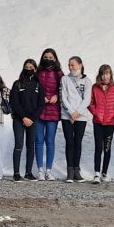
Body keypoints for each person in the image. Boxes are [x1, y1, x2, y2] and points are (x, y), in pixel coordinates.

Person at [9, 59, 45, 182]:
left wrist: (32, 118)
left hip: (33, 120)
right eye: (26, 66)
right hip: (19, 119)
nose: (28, 69)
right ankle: (16, 173)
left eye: (31, 67)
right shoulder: (17, 84)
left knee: (31, 146)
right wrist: (23, 117)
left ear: (35, 69)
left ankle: (28, 172)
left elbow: (41, 105)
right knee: (19, 145)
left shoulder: (39, 85)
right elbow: (14, 102)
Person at [88, 64, 114, 184]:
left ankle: (104, 172)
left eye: (107, 73)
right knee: (98, 147)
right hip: (98, 122)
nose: (105, 76)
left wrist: (113, 114)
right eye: (103, 73)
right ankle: (97, 173)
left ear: (110, 74)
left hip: (110, 123)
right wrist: (96, 113)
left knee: (107, 148)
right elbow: (90, 103)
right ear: (100, 75)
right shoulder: (94, 88)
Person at [60, 56, 93, 183]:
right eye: (69, 65)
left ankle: (76, 171)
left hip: (81, 116)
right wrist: (71, 112)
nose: (71, 67)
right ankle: (69, 171)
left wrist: (77, 112)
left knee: (78, 142)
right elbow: (63, 97)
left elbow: (87, 99)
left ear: (80, 65)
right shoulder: (65, 79)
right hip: (67, 115)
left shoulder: (87, 81)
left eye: (73, 65)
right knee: (69, 142)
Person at [36, 48, 64, 181]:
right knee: (39, 141)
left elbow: (64, 90)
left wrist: (57, 96)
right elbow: (33, 90)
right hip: (39, 111)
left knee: (50, 141)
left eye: (50, 57)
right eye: (45, 57)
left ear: (55, 58)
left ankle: (49, 170)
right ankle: (40, 170)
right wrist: (40, 98)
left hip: (53, 111)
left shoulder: (59, 73)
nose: (48, 59)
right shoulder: (38, 73)